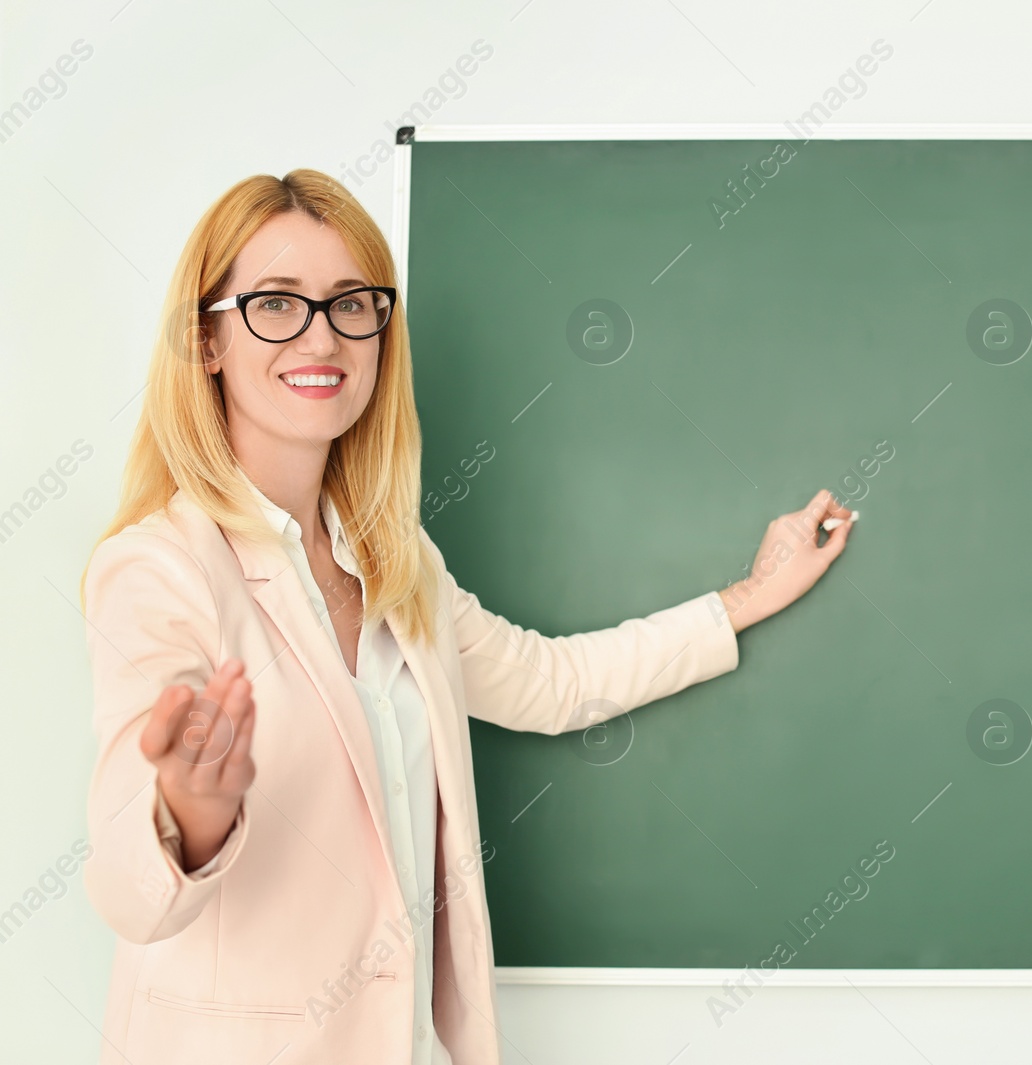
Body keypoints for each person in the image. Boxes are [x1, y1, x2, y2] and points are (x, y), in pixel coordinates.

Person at [77, 168, 854, 1065]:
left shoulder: (396, 561)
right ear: (207, 340)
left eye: (349, 303)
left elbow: (554, 684)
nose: (321, 334)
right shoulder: (159, 568)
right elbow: (131, 895)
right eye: (276, 304)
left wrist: (752, 594)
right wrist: (189, 809)